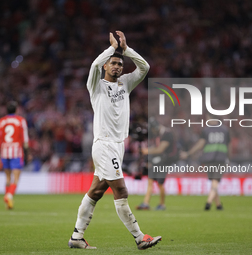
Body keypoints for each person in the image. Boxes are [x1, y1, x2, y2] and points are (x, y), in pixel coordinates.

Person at [68, 31, 161, 250]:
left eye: (120, 64)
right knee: (121, 191)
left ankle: (76, 237)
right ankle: (140, 237)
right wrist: (111, 49)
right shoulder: (96, 86)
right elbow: (93, 66)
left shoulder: (125, 83)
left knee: (96, 192)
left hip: (118, 146)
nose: (118, 67)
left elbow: (145, 68)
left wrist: (126, 50)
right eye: (114, 63)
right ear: (106, 66)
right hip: (104, 144)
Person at [181, 114, 230, 210]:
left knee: (214, 181)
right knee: (214, 182)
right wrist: (229, 158)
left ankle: (209, 202)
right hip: (221, 158)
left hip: (208, 159)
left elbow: (200, 144)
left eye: (208, 118)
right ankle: (218, 205)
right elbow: (229, 146)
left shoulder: (206, 131)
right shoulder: (225, 130)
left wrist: (188, 153)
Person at [0, 101, 30, 210]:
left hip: (4, 151)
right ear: (16, 110)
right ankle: (9, 196)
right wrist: (28, 153)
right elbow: (25, 139)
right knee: (16, 178)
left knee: (8, 177)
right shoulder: (20, 121)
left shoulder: (0, 122)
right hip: (16, 151)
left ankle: (8, 204)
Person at [136, 117, 177, 211]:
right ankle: (146, 203)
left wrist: (146, 151)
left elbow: (160, 149)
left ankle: (162, 204)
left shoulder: (167, 134)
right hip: (156, 160)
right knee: (150, 181)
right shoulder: (159, 134)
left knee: (160, 183)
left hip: (164, 162)